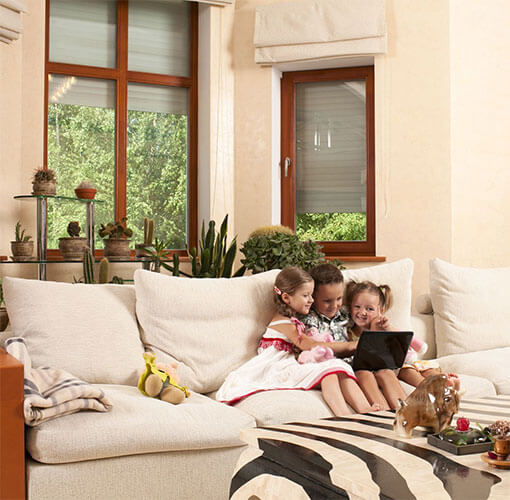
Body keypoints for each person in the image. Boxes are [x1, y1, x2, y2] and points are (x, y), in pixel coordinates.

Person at [216, 266, 377, 416]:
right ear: (286, 297)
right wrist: (351, 346)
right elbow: (311, 345)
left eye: (311, 295)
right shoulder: (282, 321)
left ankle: (365, 411)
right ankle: (344, 416)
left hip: (290, 364)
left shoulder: (295, 319)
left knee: (338, 368)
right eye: (306, 296)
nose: (311, 300)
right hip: (277, 368)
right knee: (331, 371)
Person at [344, 280, 440, 409]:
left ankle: (406, 410)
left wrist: (382, 327)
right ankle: (383, 411)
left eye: (369, 309)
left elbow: (413, 345)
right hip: (363, 370)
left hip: (387, 369)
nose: (362, 312)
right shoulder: (347, 332)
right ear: (350, 306)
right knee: (369, 373)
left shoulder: (383, 329)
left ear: (380, 310)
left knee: (387, 372)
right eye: (357, 307)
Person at [301, 263, 381, 412]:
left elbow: (364, 320)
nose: (334, 305)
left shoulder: (345, 314)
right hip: (322, 365)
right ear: (312, 297)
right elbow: (310, 345)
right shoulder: (308, 319)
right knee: (338, 372)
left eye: (338, 298)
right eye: (327, 301)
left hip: (347, 365)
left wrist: (377, 321)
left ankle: (366, 411)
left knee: (347, 372)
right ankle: (348, 414)